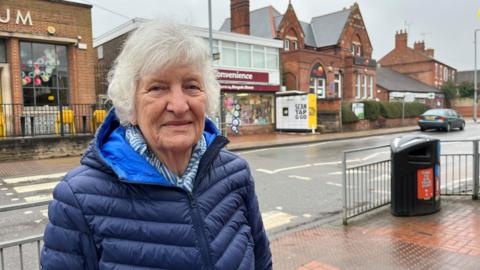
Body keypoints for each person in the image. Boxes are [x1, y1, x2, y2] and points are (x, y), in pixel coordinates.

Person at [40, 20, 272, 270]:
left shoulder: (236, 174)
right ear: (130, 105)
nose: (179, 105)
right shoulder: (77, 198)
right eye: (158, 88)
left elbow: (262, 261)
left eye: (191, 86)